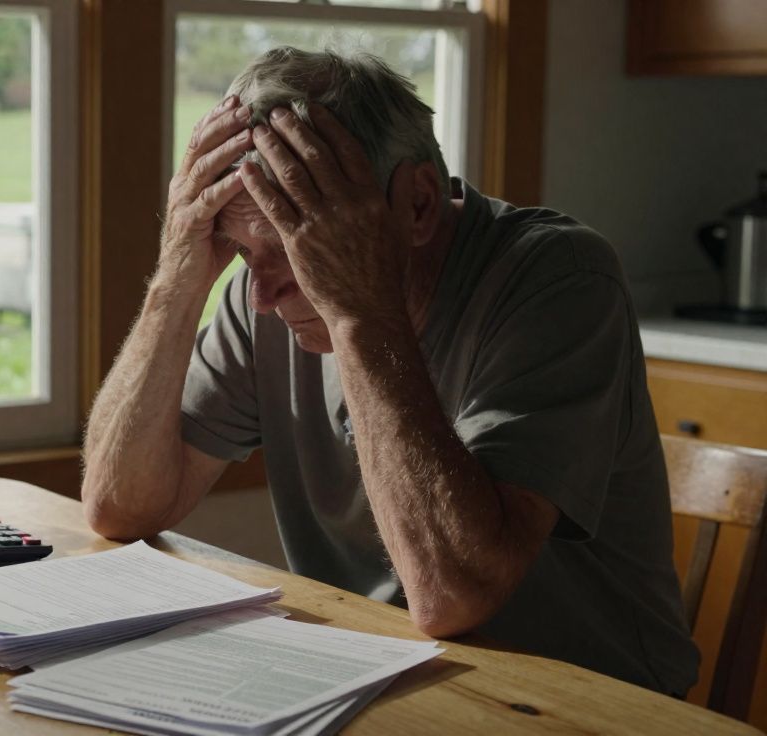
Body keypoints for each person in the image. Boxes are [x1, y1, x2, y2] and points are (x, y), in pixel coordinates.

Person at [80, 46, 699, 695]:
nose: (259, 294)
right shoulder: (264, 294)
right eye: (240, 249)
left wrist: (357, 310)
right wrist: (177, 276)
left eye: (297, 244)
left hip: (593, 704)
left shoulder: (562, 281)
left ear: (419, 204)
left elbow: (450, 596)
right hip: (385, 676)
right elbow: (120, 506)